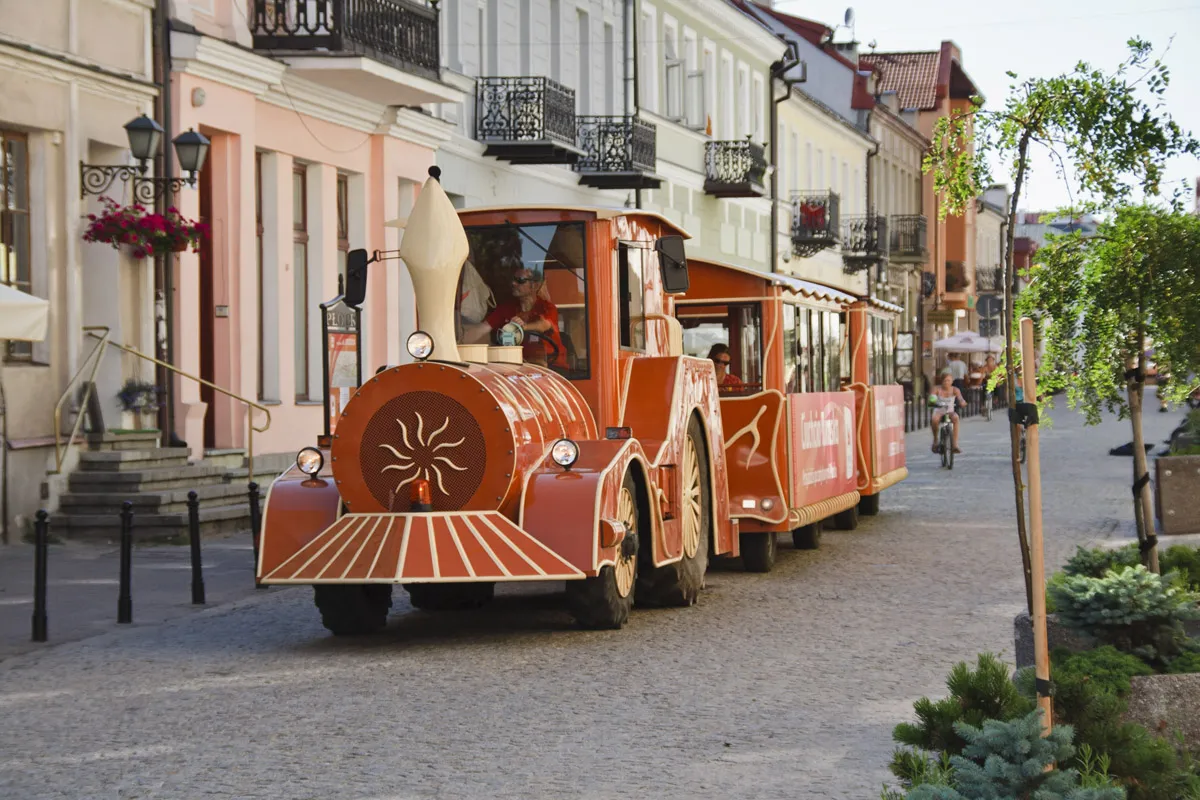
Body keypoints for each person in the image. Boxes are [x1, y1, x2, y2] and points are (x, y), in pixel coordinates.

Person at [483, 267, 568, 369]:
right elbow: (483, 328)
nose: (513, 283)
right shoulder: (506, 308)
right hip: (518, 367)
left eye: (520, 280)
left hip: (552, 368)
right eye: (513, 279)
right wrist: (461, 337)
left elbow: (544, 324)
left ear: (535, 286)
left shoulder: (547, 308)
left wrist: (521, 327)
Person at [930, 372, 965, 453]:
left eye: (949, 381)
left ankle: (955, 445)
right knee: (935, 420)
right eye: (945, 381)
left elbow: (960, 399)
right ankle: (935, 439)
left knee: (956, 418)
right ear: (941, 381)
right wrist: (932, 401)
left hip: (950, 410)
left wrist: (963, 402)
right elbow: (932, 398)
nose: (947, 383)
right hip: (939, 410)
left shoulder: (955, 390)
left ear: (952, 381)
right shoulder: (936, 389)